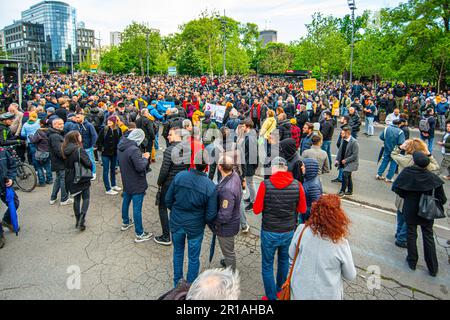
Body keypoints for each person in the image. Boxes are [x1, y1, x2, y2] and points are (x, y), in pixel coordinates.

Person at [253, 157, 307, 300]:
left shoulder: (266, 185)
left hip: (269, 231)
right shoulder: (297, 185)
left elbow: (256, 210)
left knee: (267, 265)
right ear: (285, 169)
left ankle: (271, 298)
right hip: (288, 231)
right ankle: (280, 291)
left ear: (273, 169)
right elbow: (302, 209)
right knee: (283, 262)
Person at [288, 195, 357, 300]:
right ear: (338, 215)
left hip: (300, 291)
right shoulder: (341, 243)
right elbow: (350, 275)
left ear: (315, 210)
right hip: (328, 294)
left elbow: (292, 254)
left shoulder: (302, 230)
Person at [166, 151, 217, 287]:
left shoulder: (180, 176)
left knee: (178, 253)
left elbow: (168, 200)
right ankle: (189, 288)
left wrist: (177, 212)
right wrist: (202, 221)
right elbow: (211, 214)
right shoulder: (209, 186)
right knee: (193, 258)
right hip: (195, 226)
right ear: (206, 166)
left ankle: (177, 284)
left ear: (194, 163)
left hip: (177, 222)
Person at [392, 152, 447, 277]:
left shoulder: (407, 173)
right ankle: (433, 267)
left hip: (410, 209)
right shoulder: (432, 178)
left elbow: (397, 188)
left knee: (411, 235)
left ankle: (412, 261)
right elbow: (442, 199)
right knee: (428, 237)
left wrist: (409, 196)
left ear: (415, 162)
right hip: (427, 211)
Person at [391, 139, 440, 248]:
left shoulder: (405, 160)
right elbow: (436, 166)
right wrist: (428, 153)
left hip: (402, 191)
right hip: (414, 195)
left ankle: (399, 233)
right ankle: (402, 238)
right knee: (409, 219)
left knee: (400, 213)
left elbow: (393, 154)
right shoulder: (424, 163)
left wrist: (399, 147)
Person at [118, 129, 153, 243]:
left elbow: (129, 162)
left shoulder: (122, 146)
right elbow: (140, 167)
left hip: (126, 180)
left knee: (126, 201)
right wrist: (145, 158)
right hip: (136, 182)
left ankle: (125, 222)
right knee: (137, 208)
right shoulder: (134, 149)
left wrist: (139, 157)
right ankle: (139, 233)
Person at [156, 127, 189, 246]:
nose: (167, 136)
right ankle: (178, 232)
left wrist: (159, 182)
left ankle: (166, 236)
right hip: (181, 183)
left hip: (169, 183)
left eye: (170, 135)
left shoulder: (170, 150)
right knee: (176, 207)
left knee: (162, 207)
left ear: (178, 136)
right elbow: (187, 166)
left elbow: (164, 170)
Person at [213, 157, 242, 271]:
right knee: (229, 249)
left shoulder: (227, 189)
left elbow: (224, 216)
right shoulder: (234, 175)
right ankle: (228, 263)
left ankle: (231, 275)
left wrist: (214, 222)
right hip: (234, 219)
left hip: (227, 227)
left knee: (229, 252)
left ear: (219, 167)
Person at [62, 131, 92, 231]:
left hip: (70, 176)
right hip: (81, 176)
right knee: (86, 198)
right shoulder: (79, 149)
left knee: (76, 199)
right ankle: (82, 220)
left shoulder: (64, 148)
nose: (80, 136)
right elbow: (88, 163)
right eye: (79, 135)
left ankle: (77, 220)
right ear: (75, 137)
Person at [48, 118, 72, 206]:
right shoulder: (55, 136)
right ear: (54, 125)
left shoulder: (56, 134)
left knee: (58, 179)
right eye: (59, 124)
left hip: (57, 161)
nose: (61, 125)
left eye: (62, 123)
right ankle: (64, 199)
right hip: (60, 162)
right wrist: (67, 157)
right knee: (63, 180)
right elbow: (59, 151)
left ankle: (53, 198)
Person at [97, 115, 123, 195]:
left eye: (110, 121)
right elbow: (98, 141)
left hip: (114, 153)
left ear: (114, 122)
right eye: (108, 121)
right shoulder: (104, 129)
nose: (108, 122)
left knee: (113, 169)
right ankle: (108, 189)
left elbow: (120, 140)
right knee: (106, 170)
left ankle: (113, 185)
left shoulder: (118, 130)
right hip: (105, 154)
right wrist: (102, 149)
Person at [0, 145, 18, 249]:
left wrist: (11, 178)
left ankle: (6, 220)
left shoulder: (3, 151)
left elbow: (12, 165)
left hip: (5, 186)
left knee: (15, 203)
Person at [336, 127, 359, 197]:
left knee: (345, 174)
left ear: (347, 133)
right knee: (348, 176)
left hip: (352, 162)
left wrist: (346, 160)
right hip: (345, 162)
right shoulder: (344, 140)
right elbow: (340, 151)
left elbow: (355, 155)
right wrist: (337, 159)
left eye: (342, 133)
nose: (341, 134)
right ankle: (350, 191)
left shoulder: (354, 142)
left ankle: (342, 191)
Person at [29, 119, 53, 187]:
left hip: (40, 151)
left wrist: (30, 136)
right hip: (48, 151)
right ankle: (50, 179)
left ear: (42, 124)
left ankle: (42, 182)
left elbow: (34, 140)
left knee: (39, 167)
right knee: (48, 166)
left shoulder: (39, 131)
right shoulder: (50, 131)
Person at [76, 110, 98, 180]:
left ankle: (93, 172)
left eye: (78, 117)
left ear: (83, 116)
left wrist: (94, 145)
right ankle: (85, 173)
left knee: (91, 160)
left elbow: (94, 135)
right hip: (80, 147)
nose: (77, 119)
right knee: (82, 160)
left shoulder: (89, 125)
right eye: (76, 117)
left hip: (88, 146)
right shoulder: (77, 125)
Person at [241, 119, 258, 211]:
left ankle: (253, 202)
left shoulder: (250, 137)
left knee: (250, 183)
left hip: (249, 163)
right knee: (249, 182)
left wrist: (252, 166)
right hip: (248, 162)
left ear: (247, 126)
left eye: (243, 126)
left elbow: (253, 153)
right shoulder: (250, 135)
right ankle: (251, 197)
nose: (242, 128)